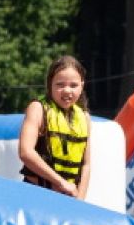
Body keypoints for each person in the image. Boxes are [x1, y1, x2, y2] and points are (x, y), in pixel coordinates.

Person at [19, 55, 91, 198]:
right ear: (50, 84)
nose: (67, 90)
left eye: (73, 85)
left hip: (68, 198)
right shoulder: (38, 109)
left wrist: (80, 199)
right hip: (36, 194)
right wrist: (61, 183)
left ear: (82, 86)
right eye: (60, 85)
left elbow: (86, 164)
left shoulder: (84, 117)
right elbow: (25, 152)